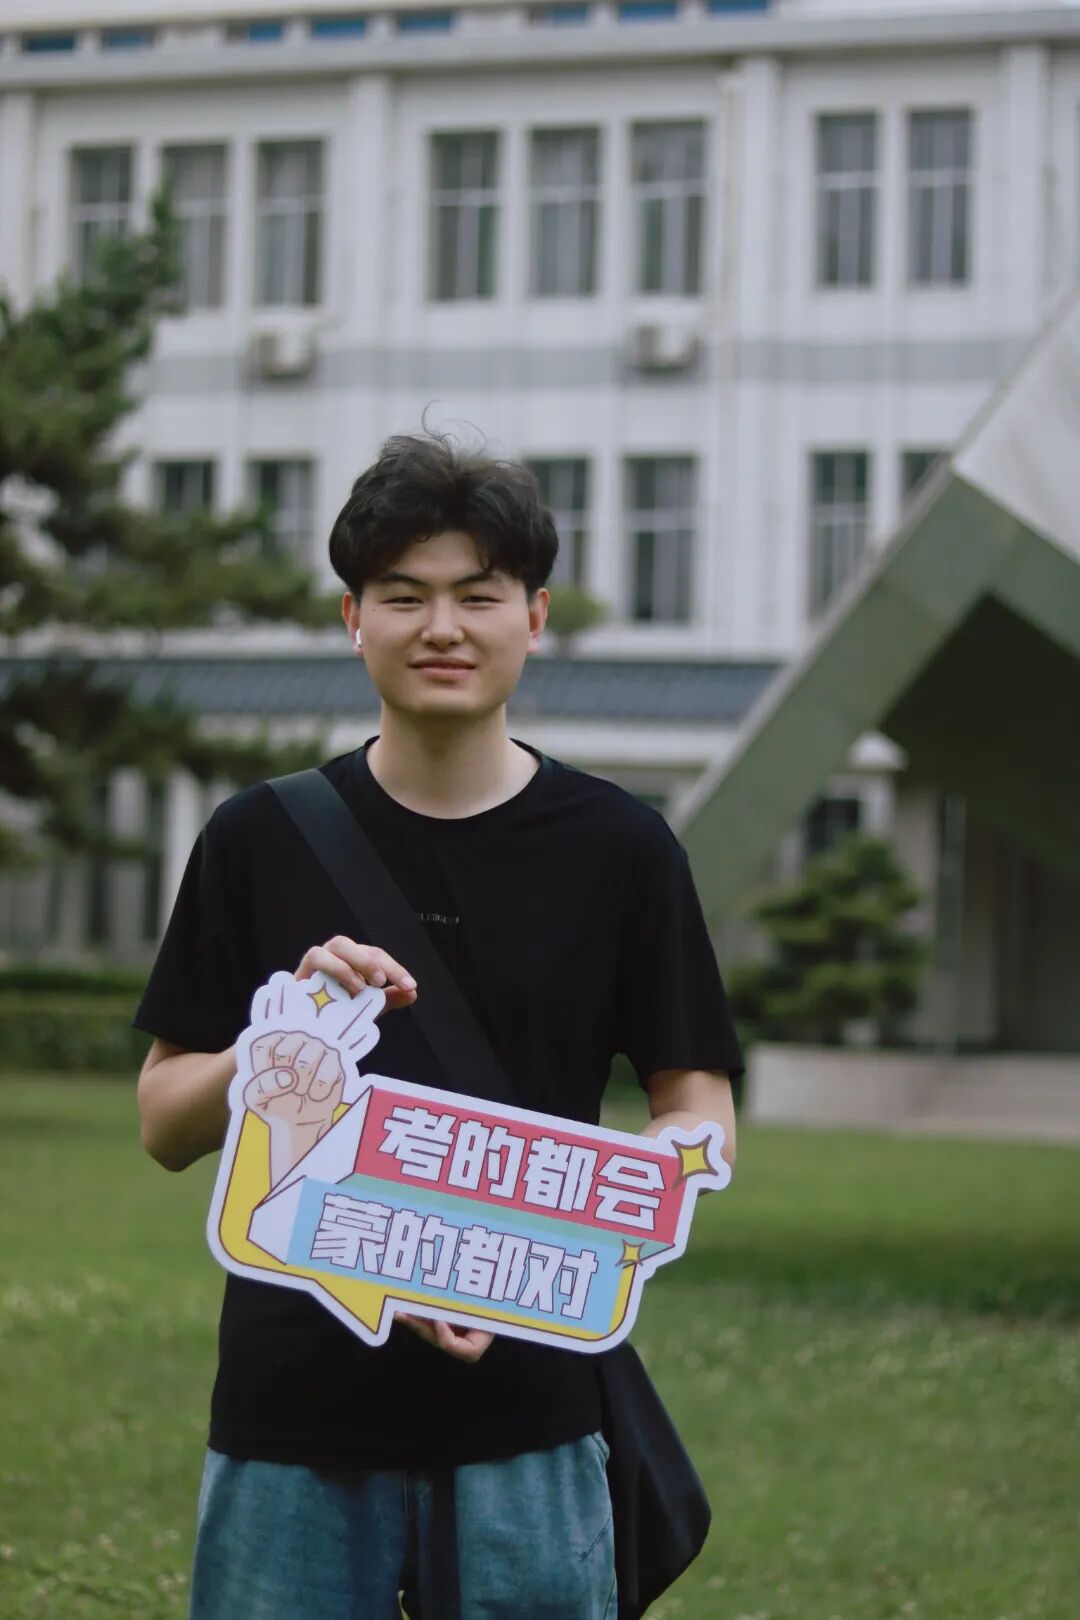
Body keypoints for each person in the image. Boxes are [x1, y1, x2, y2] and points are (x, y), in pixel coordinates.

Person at [134, 431, 743, 1620]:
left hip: (534, 1408)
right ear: (353, 618)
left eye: (479, 594)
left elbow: (696, 1105)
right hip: (293, 1414)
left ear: (536, 616)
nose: (443, 628)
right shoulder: (259, 837)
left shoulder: (621, 849)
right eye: (404, 595)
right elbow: (163, 1123)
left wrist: (582, 1230)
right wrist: (281, 1046)